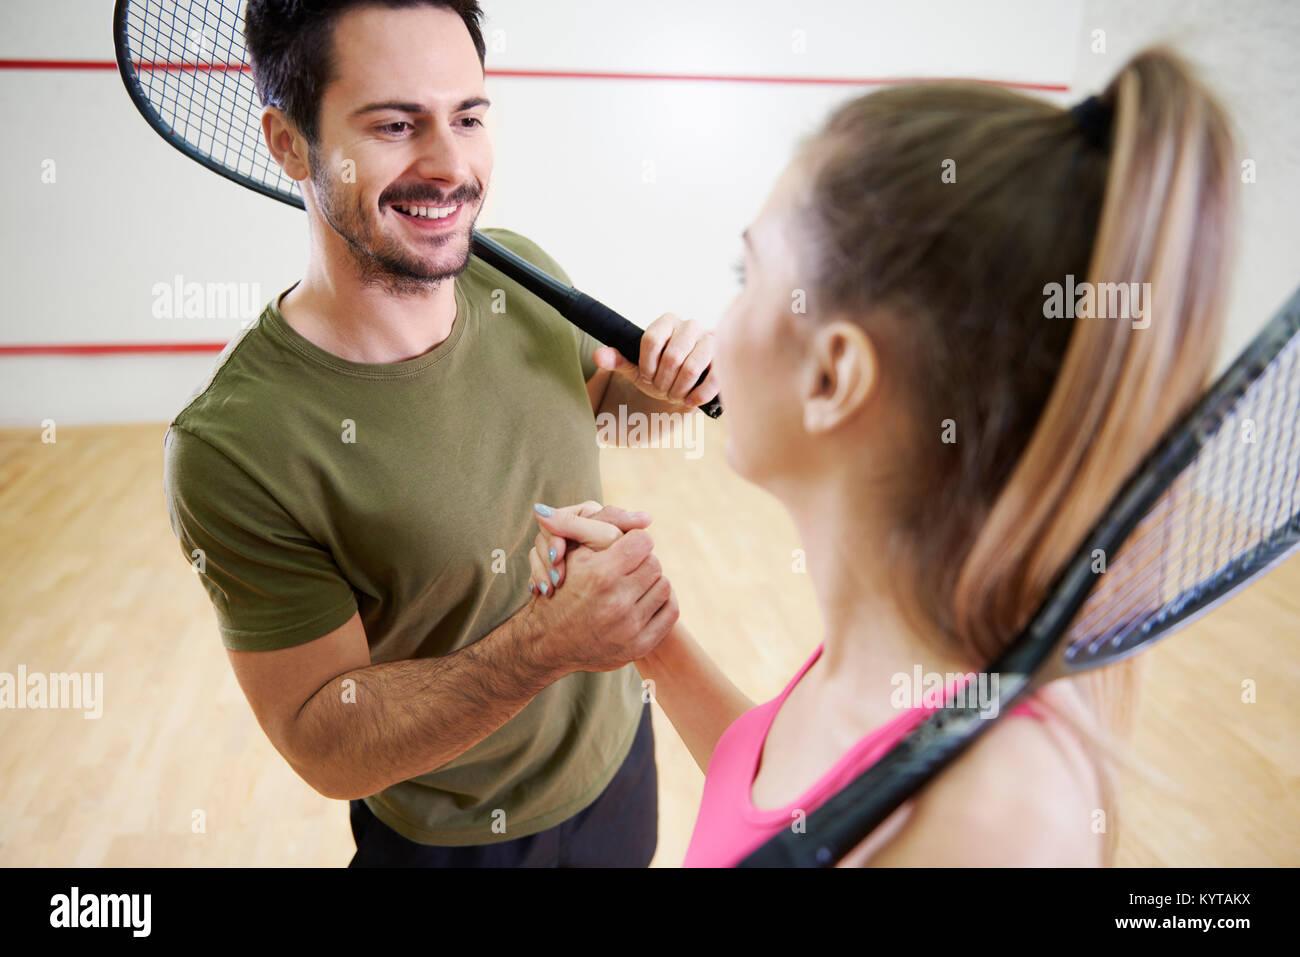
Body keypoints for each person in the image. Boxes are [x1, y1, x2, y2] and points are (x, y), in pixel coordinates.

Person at [530, 45, 1238, 866]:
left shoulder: (995, 817)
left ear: (834, 374)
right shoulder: (897, 644)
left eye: (746, 273)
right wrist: (654, 637)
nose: (716, 324)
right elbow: (785, 813)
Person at [163, 0, 719, 867]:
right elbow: (325, 741)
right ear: (288, 143)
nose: (452, 166)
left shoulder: (521, 267)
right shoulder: (233, 445)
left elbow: (604, 405)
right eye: (395, 123)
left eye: (468, 116)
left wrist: (671, 389)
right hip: (455, 840)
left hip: (617, 766)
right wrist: (545, 645)